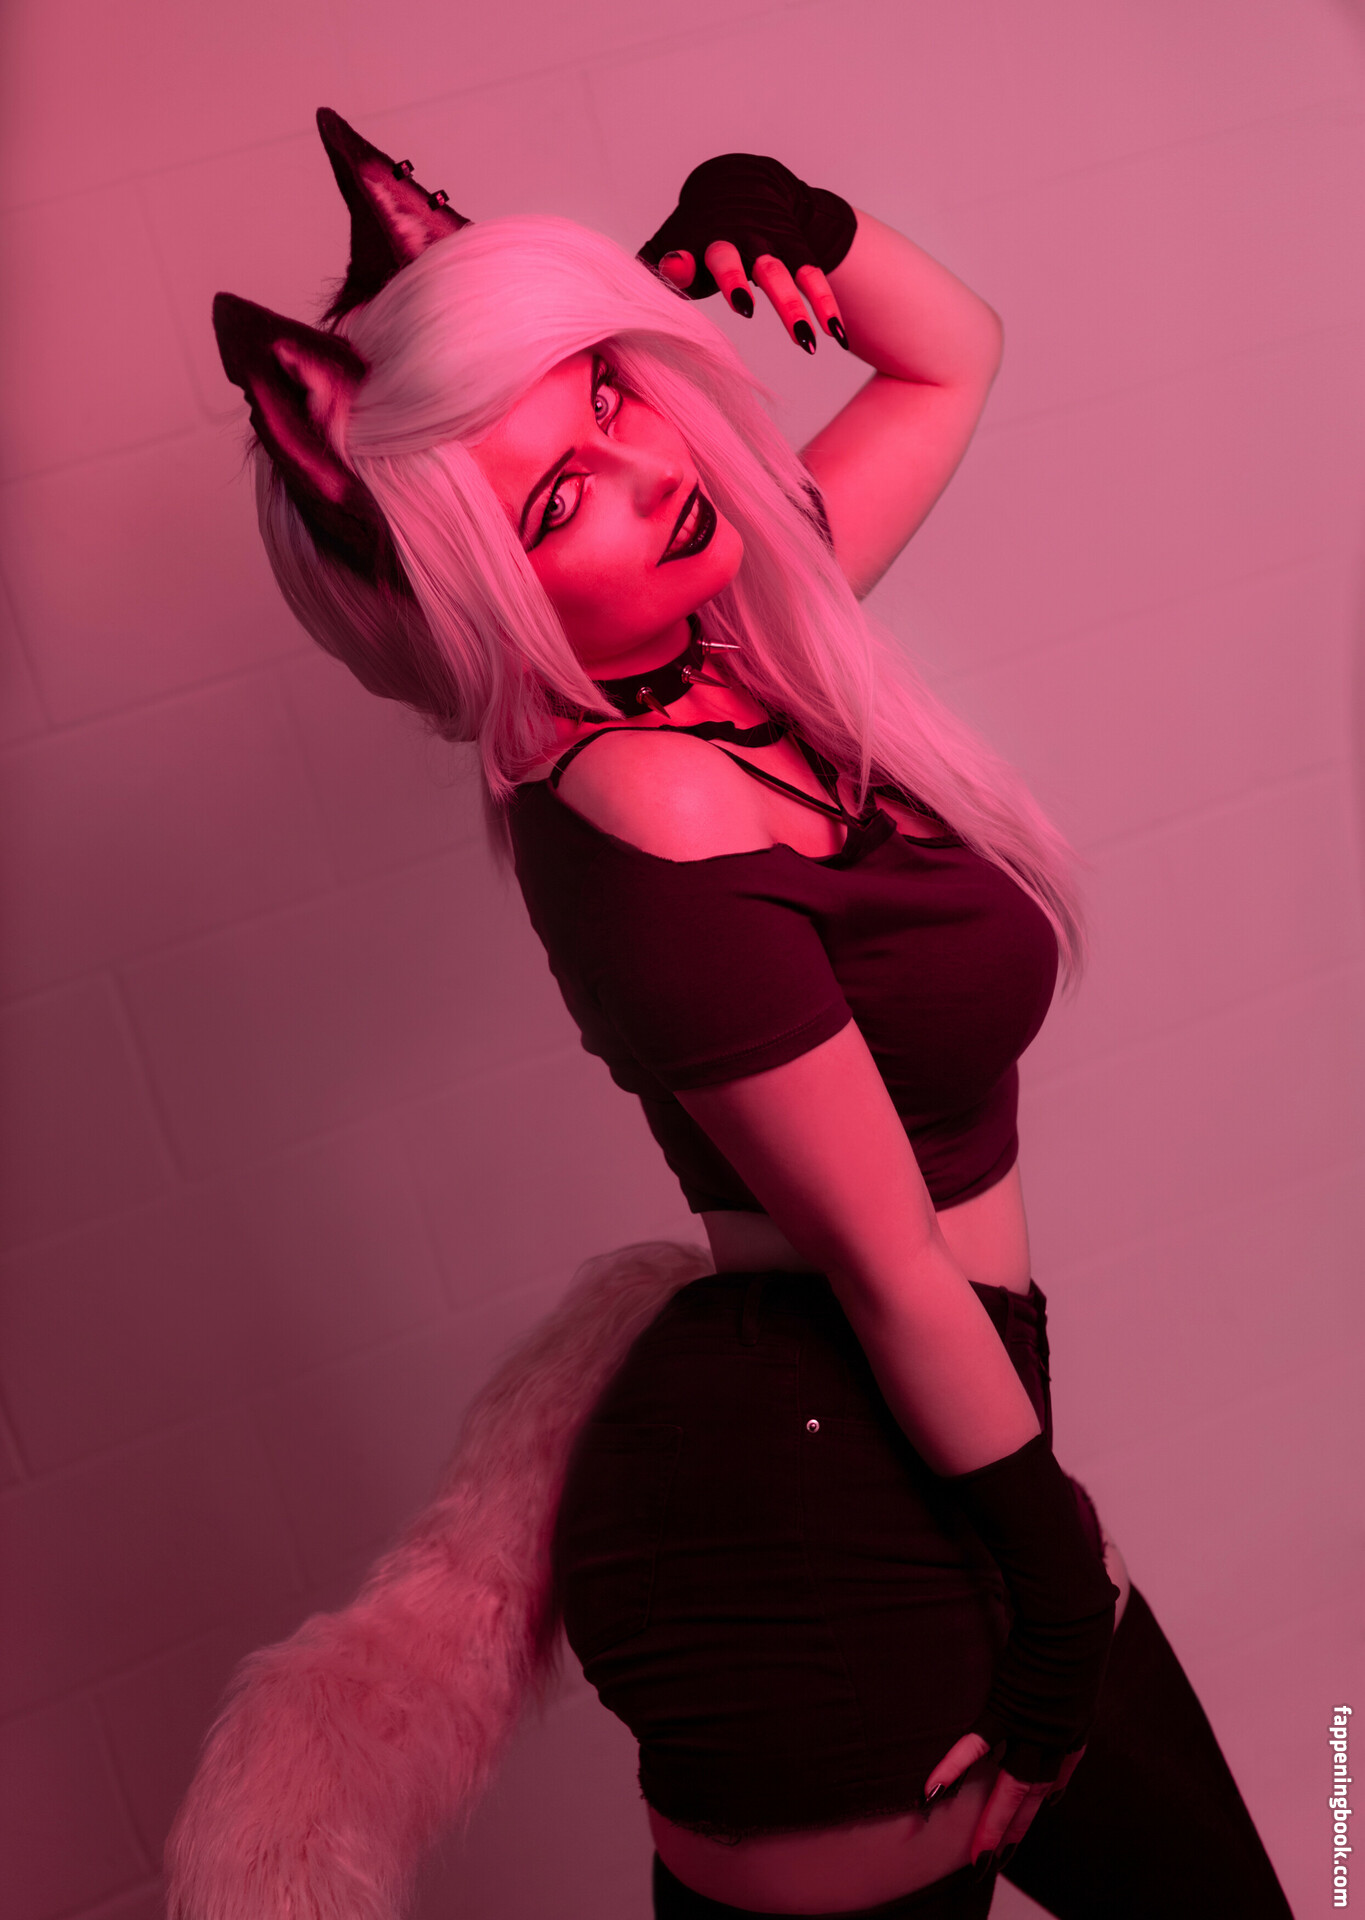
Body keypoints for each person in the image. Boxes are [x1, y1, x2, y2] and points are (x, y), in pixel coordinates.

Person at [181, 112, 1294, 1919]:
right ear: (470, 593)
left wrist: (795, 220)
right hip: (833, 1541)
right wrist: (1049, 1606)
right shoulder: (648, 800)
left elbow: (951, 356)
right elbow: (889, 1266)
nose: (643, 469)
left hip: (942, 1464)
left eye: (607, 391)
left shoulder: (730, 661)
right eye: (555, 501)